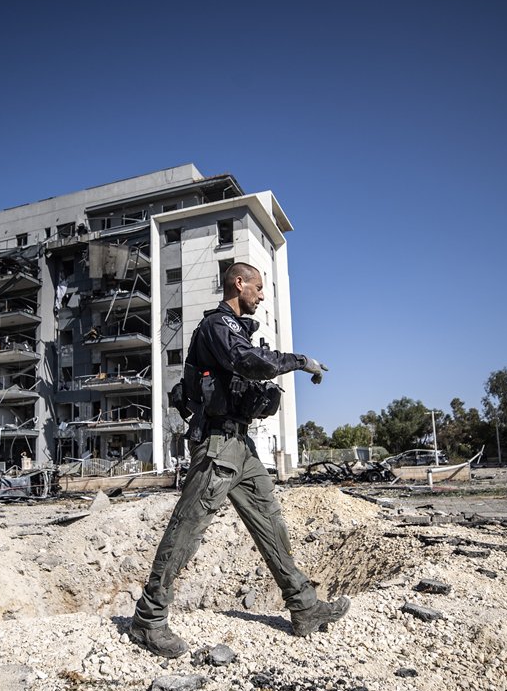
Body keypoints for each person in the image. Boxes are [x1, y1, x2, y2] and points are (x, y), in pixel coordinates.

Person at [128, 262, 345, 658]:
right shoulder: (216, 327)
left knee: (271, 522)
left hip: (241, 447)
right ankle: (148, 618)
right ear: (238, 283)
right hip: (217, 444)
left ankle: (305, 606)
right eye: (258, 288)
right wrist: (300, 360)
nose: (262, 296)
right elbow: (249, 363)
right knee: (188, 527)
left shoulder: (238, 330)